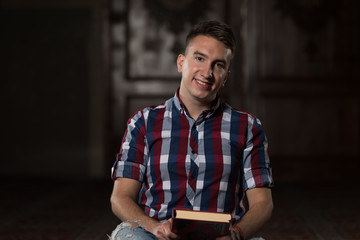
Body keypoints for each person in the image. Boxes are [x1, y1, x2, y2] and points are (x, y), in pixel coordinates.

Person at [110, 20, 274, 240]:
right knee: (129, 237)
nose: (207, 72)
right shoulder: (144, 122)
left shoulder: (247, 127)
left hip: (220, 237)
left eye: (218, 65)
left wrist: (236, 234)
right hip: (158, 236)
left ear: (225, 76)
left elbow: (263, 202)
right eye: (199, 58)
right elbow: (120, 197)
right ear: (181, 62)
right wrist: (154, 227)